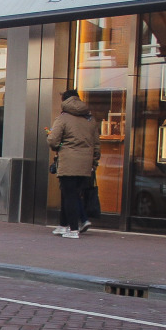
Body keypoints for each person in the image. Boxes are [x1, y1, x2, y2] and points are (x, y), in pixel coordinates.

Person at [47, 89, 100, 239]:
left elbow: (53, 140)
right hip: (85, 164)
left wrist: (57, 146)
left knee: (69, 195)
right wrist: (94, 161)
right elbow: (96, 143)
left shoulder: (63, 118)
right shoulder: (90, 119)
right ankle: (63, 225)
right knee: (71, 193)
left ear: (65, 100)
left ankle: (73, 229)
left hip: (68, 162)